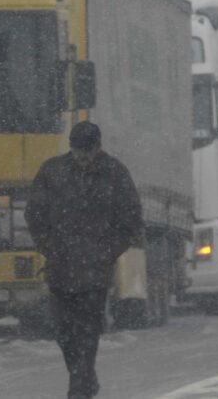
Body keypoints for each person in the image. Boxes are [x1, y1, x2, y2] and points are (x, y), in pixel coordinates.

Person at [26, 120, 144, 399]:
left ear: (98, 148)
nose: (82, 158)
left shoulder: (115, 174)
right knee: (63, 332)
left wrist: (106, 253)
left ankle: (78, 389)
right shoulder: (52, 172)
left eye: (87, 152)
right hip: (60, 268)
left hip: (94, 272)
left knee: (89, 332)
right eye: (77, 151)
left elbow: (130, 221)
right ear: (71, 148)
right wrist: (48, 247)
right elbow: (34, 215)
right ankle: (85, 379)